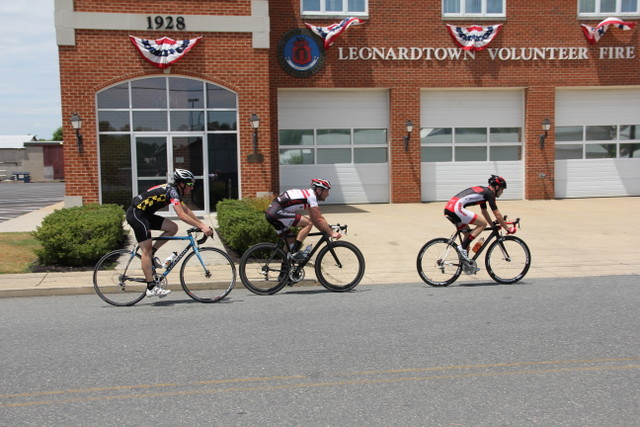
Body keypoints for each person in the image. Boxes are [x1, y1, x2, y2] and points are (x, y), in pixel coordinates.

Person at [126, 169, 213, 298]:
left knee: (172, 227)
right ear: (182, 183)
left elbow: (187, 210)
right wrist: (201, 226)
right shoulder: (173, 191)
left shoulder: (176, 191)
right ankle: (151, 287)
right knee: (146, 250)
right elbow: (182, 216)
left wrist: (203, 225)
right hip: (137, 214)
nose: (192, 187)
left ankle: (152, 254)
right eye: (190, 184)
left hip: (146, 214)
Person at [444, 175, 516, 261]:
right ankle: (462, 248)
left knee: (467, 235)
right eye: (502, 189)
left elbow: (484, 212)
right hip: (456, 208)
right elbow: (497, 214)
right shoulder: (490, 194)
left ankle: (464, 263)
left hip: (449, 208)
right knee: (483, 224)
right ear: (497, 187)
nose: (502, 192)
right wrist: (507, 229)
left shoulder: (484, 192)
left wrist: (492, 226)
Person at [265, 178, 342, 260]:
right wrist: (331, 233)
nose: (328, 194)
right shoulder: (311, 196)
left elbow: (315, 219)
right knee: (308, 223)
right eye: (326, 191)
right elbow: (319, 218)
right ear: (319, 191)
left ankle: (284, 271)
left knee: (290, 241)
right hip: (277, 213)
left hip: (271, 214)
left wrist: (324, 231)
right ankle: (294, 252)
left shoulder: (307, 195)